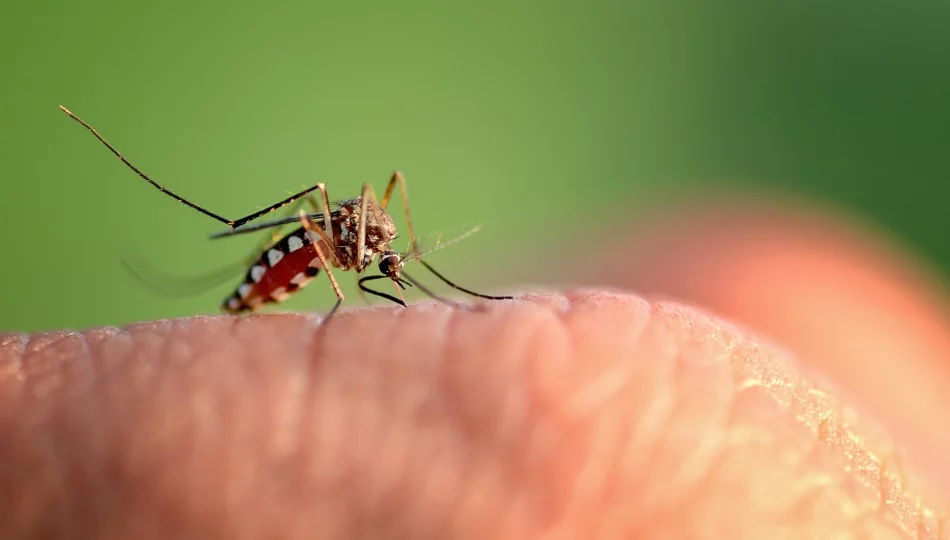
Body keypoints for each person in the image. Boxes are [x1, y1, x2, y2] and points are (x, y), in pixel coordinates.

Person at [2, 199, 948, 538]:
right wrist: (308, 262)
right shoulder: (346, 243)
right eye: (395, 261)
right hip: (294, 247)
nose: (393, 266)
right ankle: (227, 243)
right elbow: (338, 228)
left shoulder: (380, 250)